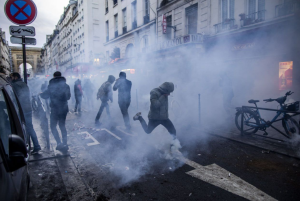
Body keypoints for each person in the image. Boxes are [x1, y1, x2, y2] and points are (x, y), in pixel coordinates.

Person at [133, 82, 180, 149]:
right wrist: (163, 96)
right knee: (148, 131)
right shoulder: (154, 92)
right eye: (168, 92)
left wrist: (165, 95)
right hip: (154, 118)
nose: (169, 94)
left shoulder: (165, 93)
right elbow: (155, 105)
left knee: (173, 131)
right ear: (165, 90)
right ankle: (139, 118)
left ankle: (173, 147)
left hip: (164, 118)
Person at [11, 72, 41, 154]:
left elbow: (15, 97)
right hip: (27, 108)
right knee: (29, 128)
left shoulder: (15, 85)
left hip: (22, 109)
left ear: (16, 77)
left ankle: (34, 146)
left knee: (27, 128)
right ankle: (34, 145)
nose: (11, 78)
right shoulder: (23, 84)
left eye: (12, 77)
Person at [40, 71, 71, 151]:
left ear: (54, 76)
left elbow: (45, 96)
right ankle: (65, 143)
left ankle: (59, 143)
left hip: (55, 109)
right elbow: (68, 97)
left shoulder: (51, 85)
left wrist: (41, 94)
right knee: (62, 126)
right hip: (64, 108)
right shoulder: (66, 85)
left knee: (53, 126)